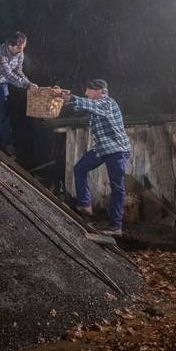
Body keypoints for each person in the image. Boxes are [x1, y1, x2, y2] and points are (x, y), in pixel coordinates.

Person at [61, 79, 131, 236]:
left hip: (117, 150)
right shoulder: (95, 104)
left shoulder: (108, 103)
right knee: (80, 168)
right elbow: (80, 106)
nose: (86, 93)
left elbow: (91, 105)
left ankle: (116, 227)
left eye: (89, 90)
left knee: (117, 188)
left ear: (100, 91)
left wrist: (71, 97)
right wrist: (62, 97)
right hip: (102, 149)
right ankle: (85, 204)